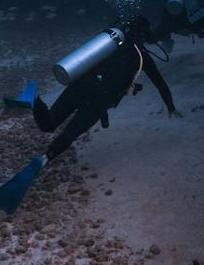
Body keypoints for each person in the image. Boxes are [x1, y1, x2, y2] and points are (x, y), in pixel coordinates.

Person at [31, 15, 178, 161]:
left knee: (48, 124)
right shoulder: (143, 57)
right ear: (144, 35)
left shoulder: (110, 43)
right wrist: (170, 107)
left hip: (80, 86)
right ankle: (45, 159)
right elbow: (160, 84)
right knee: (70, 133)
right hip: (100, 100)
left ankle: (34, 101)